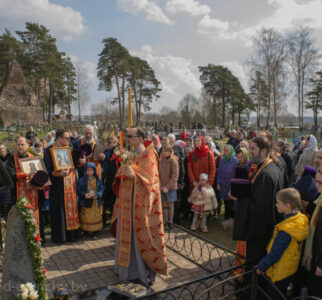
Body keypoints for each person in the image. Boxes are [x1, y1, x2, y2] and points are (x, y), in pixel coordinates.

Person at [111, 127, 167, 287]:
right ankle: (124, 271)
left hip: (140, 207)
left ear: (141, 138)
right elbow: (123, 175)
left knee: (138, 239)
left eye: (130, 136)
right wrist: (122, 173)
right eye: (127, 136)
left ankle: (139, 273)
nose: (128, 139)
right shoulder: (131, 155)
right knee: (125, 237)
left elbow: (152, 182)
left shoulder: (149, 155)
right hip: (126, 203)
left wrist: (133, 175)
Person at [237, 136, 283, 299]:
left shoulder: (266, 174)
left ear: (264, 151)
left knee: (255, 267)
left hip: (259, 232)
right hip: (264, 228)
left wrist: (240, 201)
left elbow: (260, 209)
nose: (250, 152)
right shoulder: (267, 167)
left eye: (253, 149)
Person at [256, 188, 309, 299]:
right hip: (289, 267)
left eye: (278, 202)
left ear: (288, 206)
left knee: (275, 295)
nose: (276, 205)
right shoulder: (300, 219)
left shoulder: (286, 230)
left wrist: (261, 266)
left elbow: (275, 254)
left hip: (279, 271)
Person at [44, 129, 80, 243]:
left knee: (70, 209)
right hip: (57, 185)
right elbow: (47, 169)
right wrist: (58, 173)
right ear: (59, 138)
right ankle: (60, 237)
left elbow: (74, 164)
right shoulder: (49, 151)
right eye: (67, 138)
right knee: (59, 210)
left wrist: (80, 162)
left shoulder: (70, 149)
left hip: (70, 184)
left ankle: (71, 235)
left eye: (69, 138)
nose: (69, 140)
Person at [301, 167, 322, 297]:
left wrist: (321, 265)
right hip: (313, 254)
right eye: (316, 180)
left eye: (320, 182)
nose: (316, 184)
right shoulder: (319, 200)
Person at [11, 137, 39, 224]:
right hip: (17, 193)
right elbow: (10, 174)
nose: (20, 147)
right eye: (18, 145)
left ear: (28, 145)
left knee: (33, 217)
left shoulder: (33, 158)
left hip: (32, 191)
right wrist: (25, 175)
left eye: (22, 144)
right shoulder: (12, 158)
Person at [77, 162, 104, 239]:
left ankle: (95, 232)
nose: (90, 172)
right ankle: (85, 231)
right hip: (86, 201)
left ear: (94, 171)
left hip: (95, 202)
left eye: (91, 170)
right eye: (88, 170)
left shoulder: (98, 180)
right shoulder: (81, 180)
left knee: (96, 217)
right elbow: (78, 190)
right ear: (85, 171)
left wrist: (98, 195)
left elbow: (102, 189)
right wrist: (84, 194)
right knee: (85, 216)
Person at [216, 145, 238, 220]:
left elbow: (237, 174)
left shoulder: (235, 160)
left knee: (231, 203)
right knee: (225, 202)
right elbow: (219, 171)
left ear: (231, 151)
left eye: (227, 150)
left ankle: (232, 219)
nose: (225, 152)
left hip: (231, 185)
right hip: (224, 184)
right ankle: (226, 217)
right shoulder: (222, 159)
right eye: (224, 150)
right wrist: (218, 183)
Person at [159, 145, 179, 228]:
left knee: (170, 204)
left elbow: (175, 175)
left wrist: (167, 187)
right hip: (162, 186)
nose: (164, 153)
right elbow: (158, 174)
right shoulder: (160, 161)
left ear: (170, 152)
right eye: (163, 151)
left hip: (170, 187)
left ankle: (170, 220)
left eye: (166, 151)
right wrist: (161, 186)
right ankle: (165, 219)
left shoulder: (173, 161)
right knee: (164, 203)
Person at [0, 143, 15, 219]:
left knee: (9, 208)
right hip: (1, 185)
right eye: (0, 149)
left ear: (5, 149)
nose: (1, 151)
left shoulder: (11, 158)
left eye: (2, 149)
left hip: (9, 186)